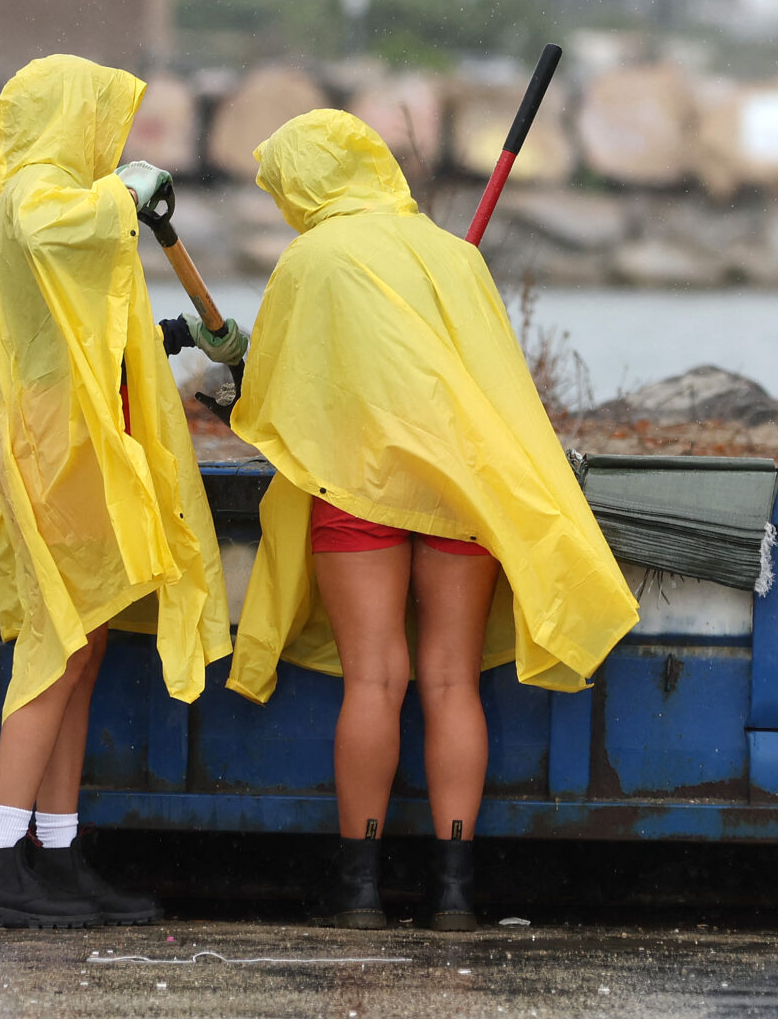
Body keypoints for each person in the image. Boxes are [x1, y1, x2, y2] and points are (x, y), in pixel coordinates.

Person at [224, 109, 635, 929]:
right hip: (462, 492)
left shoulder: (314, 258)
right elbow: (494, 382)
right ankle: (453, 893)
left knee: (376, 679)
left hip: (357, 487)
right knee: (451, 682)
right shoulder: (455, 255)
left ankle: (360, 891)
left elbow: (275, 388)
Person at [0, 55, 241, 928]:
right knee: (60, 641)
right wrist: (124, 194)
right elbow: (53, 231)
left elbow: (86, 327)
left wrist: (180, 337)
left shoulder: (70, 201)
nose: (111, 138)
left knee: (86, 648)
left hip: (89, 439)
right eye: (102, 120)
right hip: (56, 448)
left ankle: (56, 846)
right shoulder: (37, 194)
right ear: (70, 117)